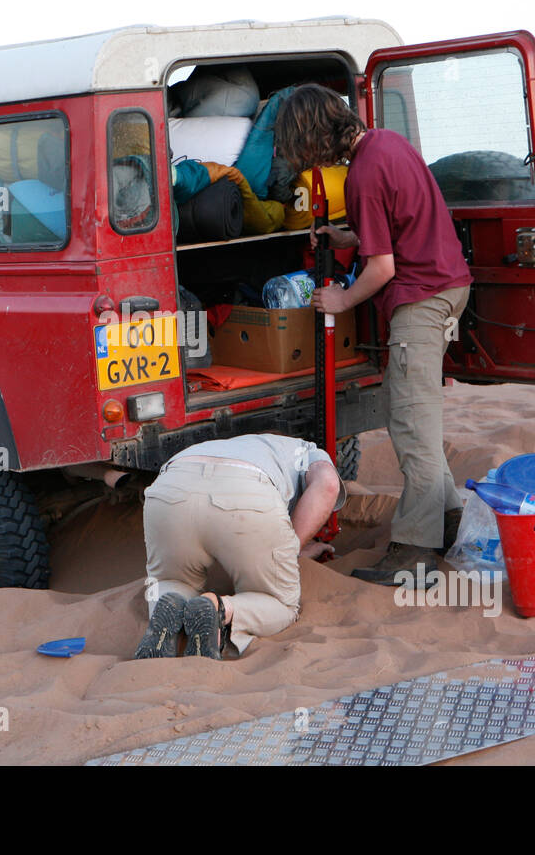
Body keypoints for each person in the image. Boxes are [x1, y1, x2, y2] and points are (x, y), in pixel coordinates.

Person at [274, 84, 473, 585]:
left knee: (410, 429)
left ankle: (415, 549)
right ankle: (450, 521)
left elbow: (382, 267)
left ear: (316, 136)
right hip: (448, 287)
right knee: (419, 419)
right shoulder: (388, 143)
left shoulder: (360, 175)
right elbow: (395, 229)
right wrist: (351, 238)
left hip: (420, 301)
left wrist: (341, 299)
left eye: (303, 146)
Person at [135, 433, 345, 660]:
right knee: (280, 603)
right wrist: (292, 548)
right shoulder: (307, 449)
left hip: (171, 487)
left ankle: (170, 606)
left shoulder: (231, 444)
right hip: (246, 494)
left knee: (171, 581)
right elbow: (328, 485)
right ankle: (219, 609)